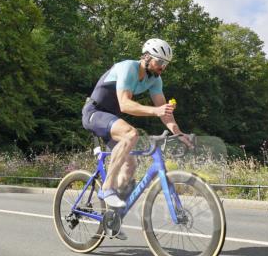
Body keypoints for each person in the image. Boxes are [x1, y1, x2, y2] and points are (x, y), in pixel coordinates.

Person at [82, 38, 191, 239]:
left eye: (166, 64)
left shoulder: (155, 80)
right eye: (160, 62)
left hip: (111, 119)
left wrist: (179, 133)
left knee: (130, 165)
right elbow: (124, 104)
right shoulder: (127, 68)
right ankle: (106, 189)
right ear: (147, 57)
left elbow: (165, 112)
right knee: (131, 133)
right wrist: (156, 110)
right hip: (94, 112)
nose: (162, 68)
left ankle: (112, 217)